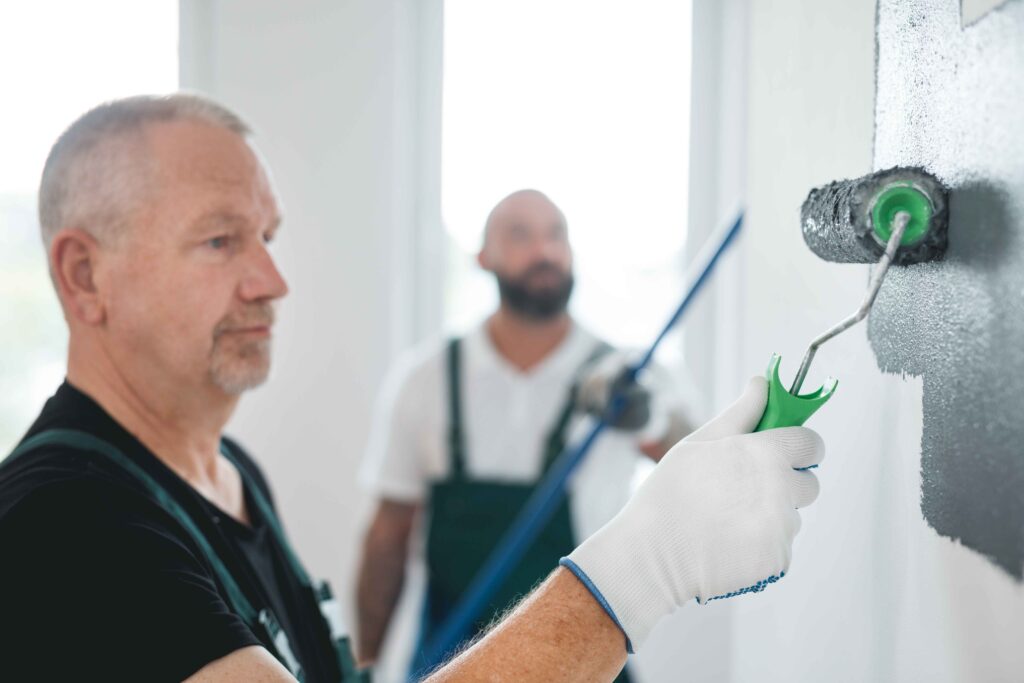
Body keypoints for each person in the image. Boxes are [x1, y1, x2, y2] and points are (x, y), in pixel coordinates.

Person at [0, 94, 824, 683]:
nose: (273, 281)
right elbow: (388, 540)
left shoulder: (229, 471)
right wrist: (643, 566)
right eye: (220, 240)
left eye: (268, 237)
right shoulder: (66, 521)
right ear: (84, 276)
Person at [355, 189, 697, 678]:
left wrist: (652, 420)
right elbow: (388, 535)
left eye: (556, 234)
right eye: (520, 235)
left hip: (585, 666)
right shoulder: (425, 380)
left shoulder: (628, 378)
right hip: (455, 666)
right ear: (483, 258)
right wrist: (364, 665)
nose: (544, 251)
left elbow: (701, 466)